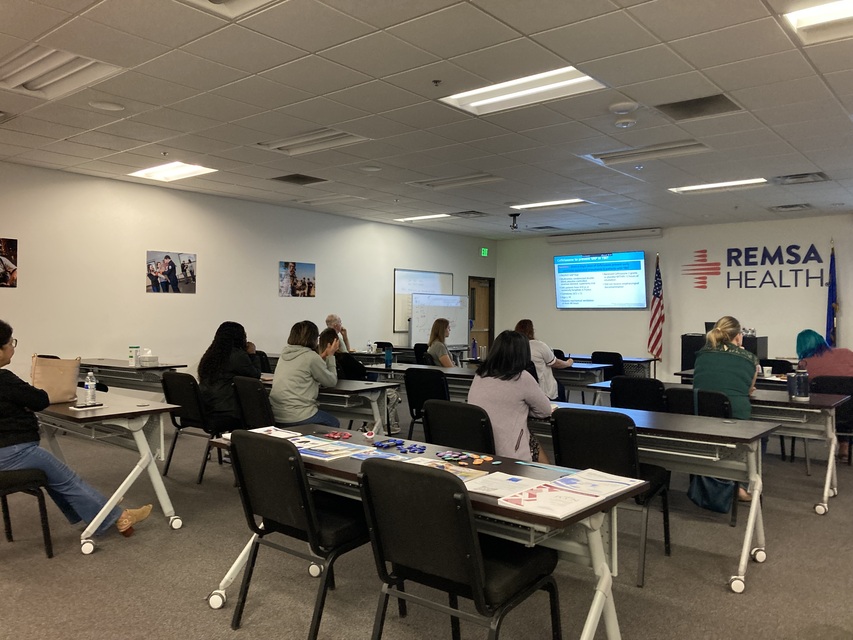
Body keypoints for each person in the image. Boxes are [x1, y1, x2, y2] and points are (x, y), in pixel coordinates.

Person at [0, 320, 152, 537]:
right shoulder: (4, 379)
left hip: (7, 451)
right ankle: (119, 517)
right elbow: (40, 399)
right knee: (68, 478)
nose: (13, 348)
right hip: (14, 452)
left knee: (53, 472)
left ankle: (97, 508)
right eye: (10, 343)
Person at [692, 315, 758, 505]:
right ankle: (743, 484)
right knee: (762, 434)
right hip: (735, 419)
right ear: (738, 336)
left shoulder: (702, 354)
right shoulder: (750, 358)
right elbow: (749, 390)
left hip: (701, 417)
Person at [467, 330, 553, 462]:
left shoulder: (480, 375)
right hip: (510, 454)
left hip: (479, 450)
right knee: (535, 446)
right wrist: (523, 409)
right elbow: (545, 411)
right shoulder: (522, 377)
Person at [270, 320, 340, 428]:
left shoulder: (284, 354)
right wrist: (331, 356)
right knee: (334, 422)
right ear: (313, 338)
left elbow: (304, 365)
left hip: (276, 414)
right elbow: (331, 381)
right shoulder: (311, 357)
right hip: (299, 415)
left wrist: (323, 356)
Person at [796, 328, 853, 460]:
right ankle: (844, 445)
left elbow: (800, 388)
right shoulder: (846, 353)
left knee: (835, 406)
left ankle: (840, 443)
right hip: (850, 410)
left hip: (824, 413)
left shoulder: (804, 364)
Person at [197, 321, 261, 432]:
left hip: (206, 408)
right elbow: (255, 376)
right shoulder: (237, 355)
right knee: (260, 411)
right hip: (226, 411)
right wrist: (252, 354)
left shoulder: (210, 354)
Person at [514, 319, 573, 401]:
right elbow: (556, 363)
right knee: (560, 388)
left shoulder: (513, 347)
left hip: (520, 389)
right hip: (543, 390)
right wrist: (568, 363)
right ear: (532, 331)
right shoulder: (539, 346)